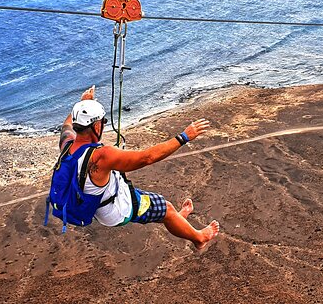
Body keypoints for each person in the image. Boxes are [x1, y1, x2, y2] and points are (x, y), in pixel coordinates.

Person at [58, 86, 220, 250]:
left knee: (162, 209)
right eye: (103, 122)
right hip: (119, 208)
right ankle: (199, 238)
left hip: (102, 204)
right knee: (166, 208)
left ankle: (177, 220)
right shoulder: (102, 156)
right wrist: (184, 137)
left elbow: (67, 126)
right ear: (97, 126)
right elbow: (147, 158)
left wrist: (83, 105)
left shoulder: (66, 144)